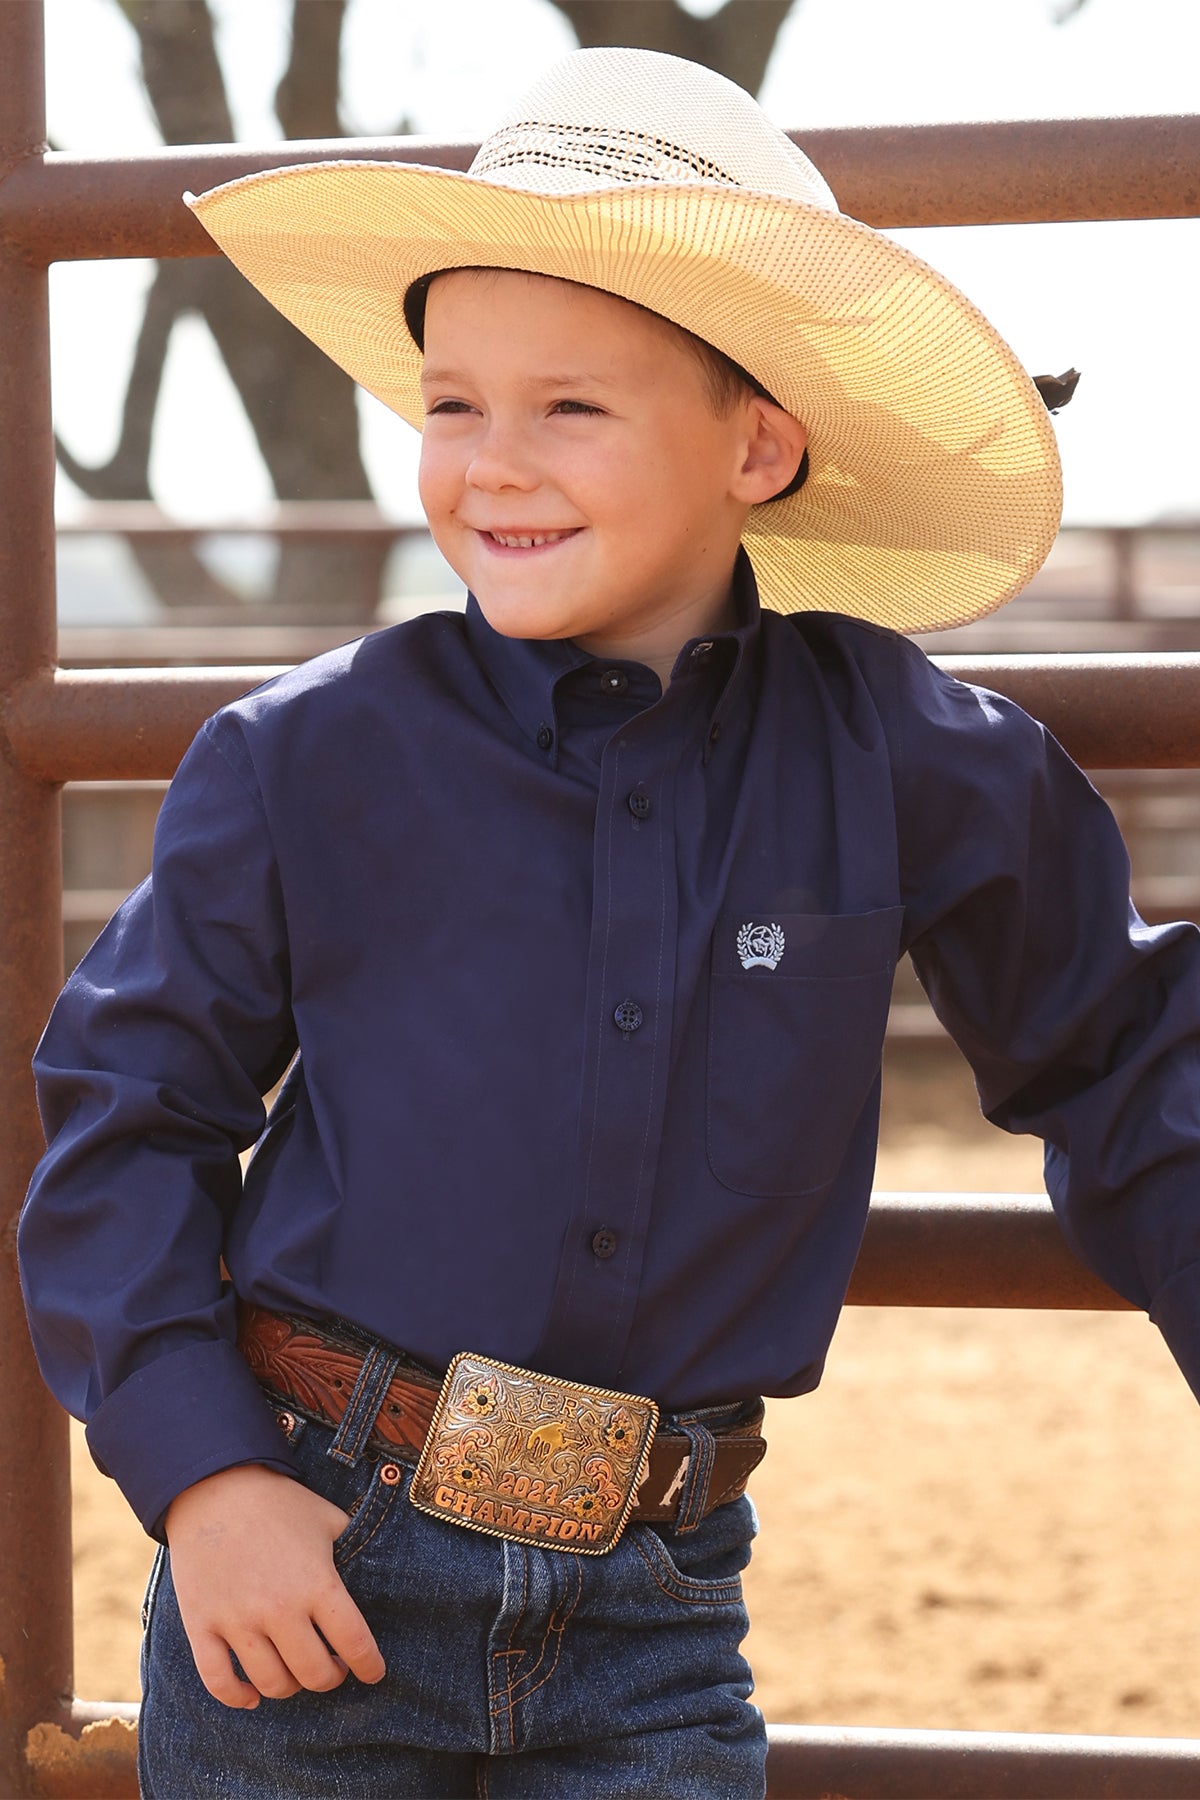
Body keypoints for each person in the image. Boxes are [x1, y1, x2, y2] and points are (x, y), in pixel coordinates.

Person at [18, 45, 1200, 1800]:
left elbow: (1121, 1058)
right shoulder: (300, 762)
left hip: (656, 1605)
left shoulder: (913, 757)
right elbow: (128, 1118)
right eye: (450, 404)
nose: (494, 466)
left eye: (571, 406)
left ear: (759, 441)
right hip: (304, 1563)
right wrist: (203, 1477)